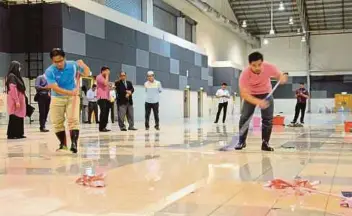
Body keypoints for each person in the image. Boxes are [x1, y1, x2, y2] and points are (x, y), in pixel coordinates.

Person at [235, 52, 287, 151]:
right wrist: (258, 102)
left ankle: (265, 143)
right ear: (249, 64)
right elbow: (244, 94)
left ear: (262, 62)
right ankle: (241, 141)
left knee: (268, 119)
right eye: (254, 65)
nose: (257, 67)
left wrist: (282, 78)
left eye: (259, 64)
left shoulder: (269, 67)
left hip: (266, 93)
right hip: (251, 95)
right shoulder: (245, 74)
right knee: (244, 117)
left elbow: (279, 75)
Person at [45, 48, 90, 153]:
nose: (59, 63)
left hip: (72, 98)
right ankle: (63, 144)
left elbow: (87, 73)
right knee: (57, 122)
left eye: (60, 60)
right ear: (52, 61)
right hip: (57, 98)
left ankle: (74, 144)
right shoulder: (50, 71)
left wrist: (83, 64)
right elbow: (55, 88)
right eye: (56, 62)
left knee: (73, 120)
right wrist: (70, 92)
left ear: (64, 58)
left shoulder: (73, 65)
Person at [5, 61, 26, 139]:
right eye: (19, 67)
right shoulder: (12, 76)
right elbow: (12, 89)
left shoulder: (16, 76)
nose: (20, 69)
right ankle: (12, 134)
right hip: (14, 101)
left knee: (19, 117)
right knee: (14, 117)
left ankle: (19, 133)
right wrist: (17, 101)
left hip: (19, 101)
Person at [96, 66, 111, 132]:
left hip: (106, 98)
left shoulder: (105, 78)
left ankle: (104, 126)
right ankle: (101, 127)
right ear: (103, 71)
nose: (108, 72)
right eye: (107, 71)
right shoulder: (99, 77)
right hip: (101, 98)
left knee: (107, 112)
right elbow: (105, 84)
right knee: (103, 112)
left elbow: (107, 89)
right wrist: (107, 76)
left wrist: (109, 97)